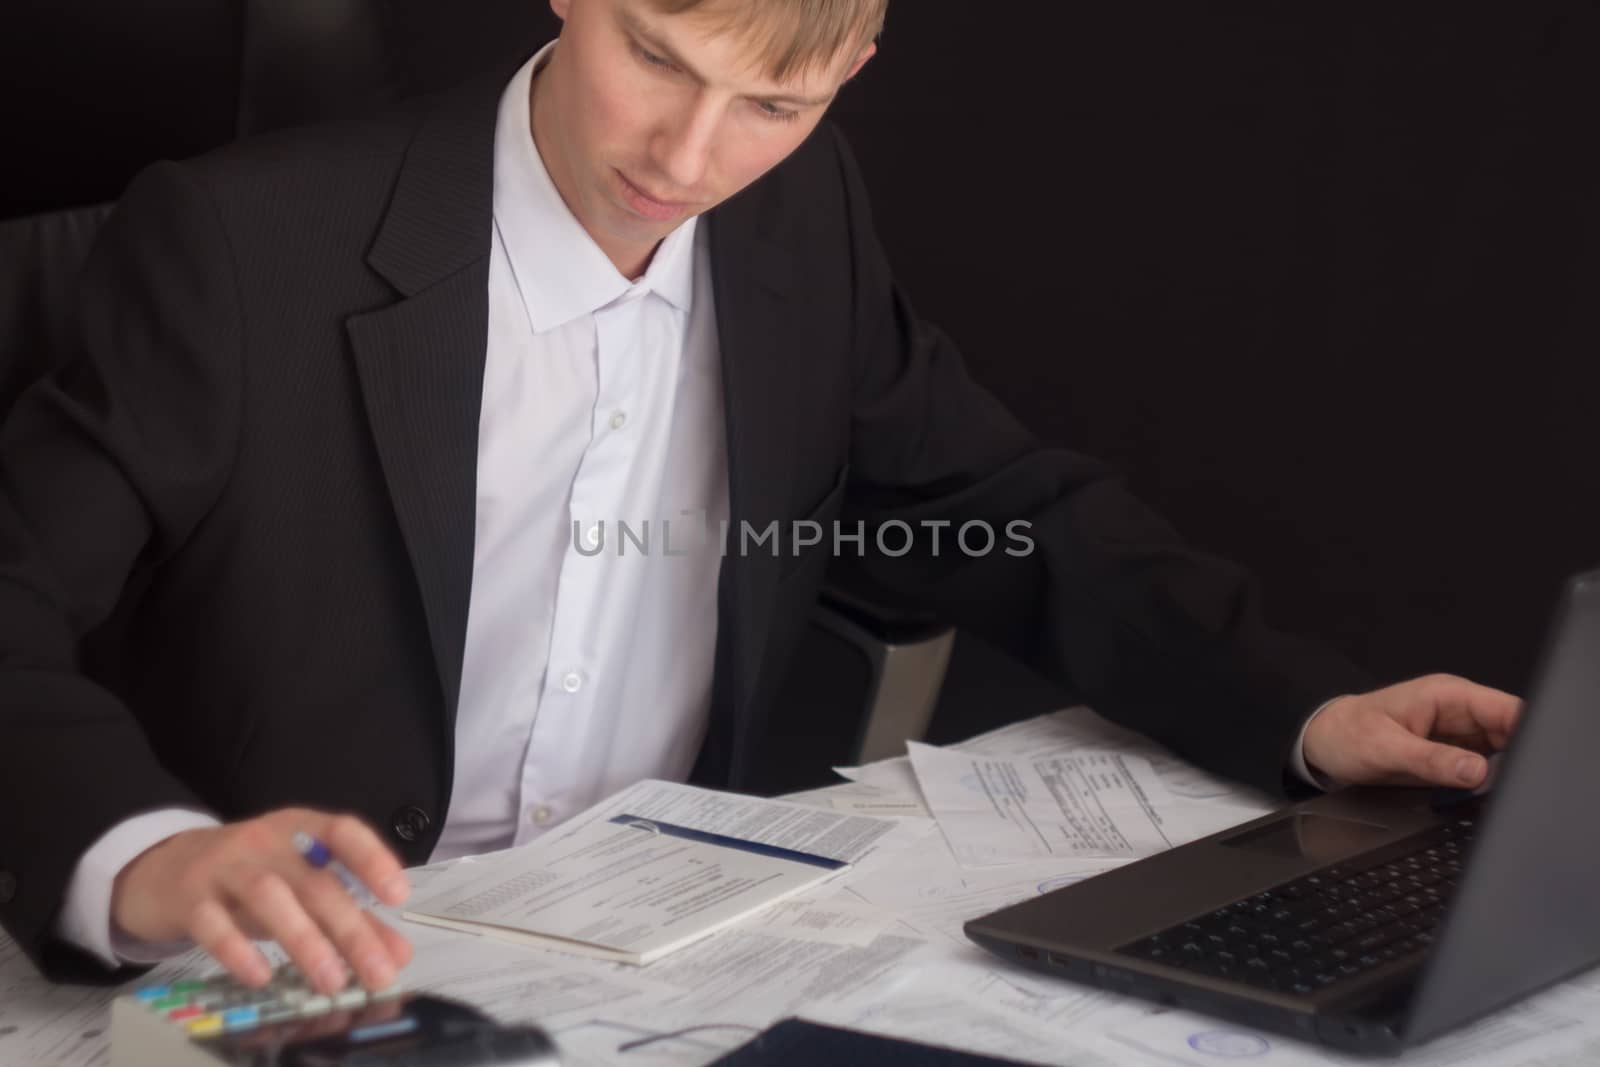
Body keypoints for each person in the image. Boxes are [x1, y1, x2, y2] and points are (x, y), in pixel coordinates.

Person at [0, 0, 1521, 995]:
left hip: (655, 959)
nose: (688, 156)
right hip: (278, 978)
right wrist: (144, 854)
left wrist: (1309, 712)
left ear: (850, 74)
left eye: (770, 103)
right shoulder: (239, 244)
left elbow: (994, 506)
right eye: (656, 56)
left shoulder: (799, 210)